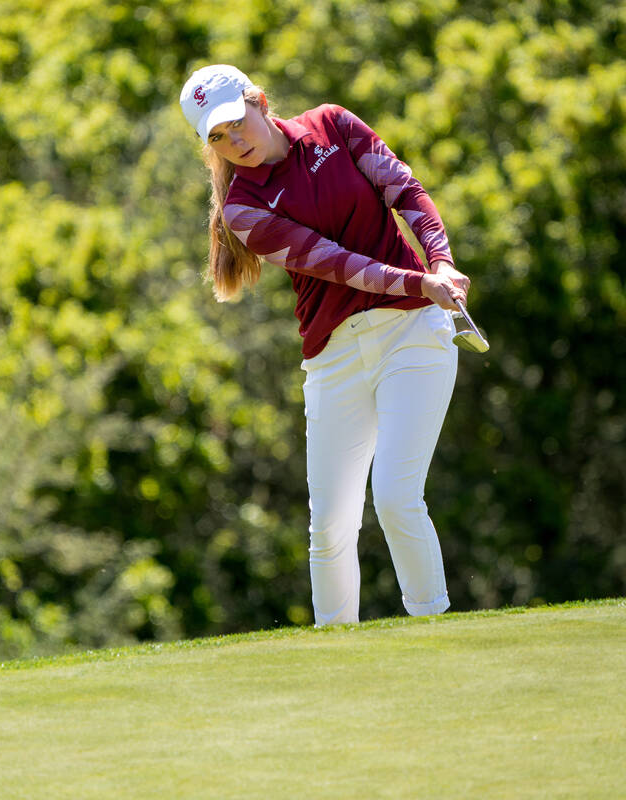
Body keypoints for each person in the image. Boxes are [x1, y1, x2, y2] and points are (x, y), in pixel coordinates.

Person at [179, 64, 472, 626]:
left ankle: (435, 628)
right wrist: (421, 281)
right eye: (217, 136)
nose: (234, 141)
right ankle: (336, 655)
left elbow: (405, 190)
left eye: (237, 123)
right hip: (334, 356)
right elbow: (335, 265)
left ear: (259, 101)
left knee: (395, 494)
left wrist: (441, 263)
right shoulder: (243, 209)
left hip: (411, 330)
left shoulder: (333, 125)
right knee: (330, 525)